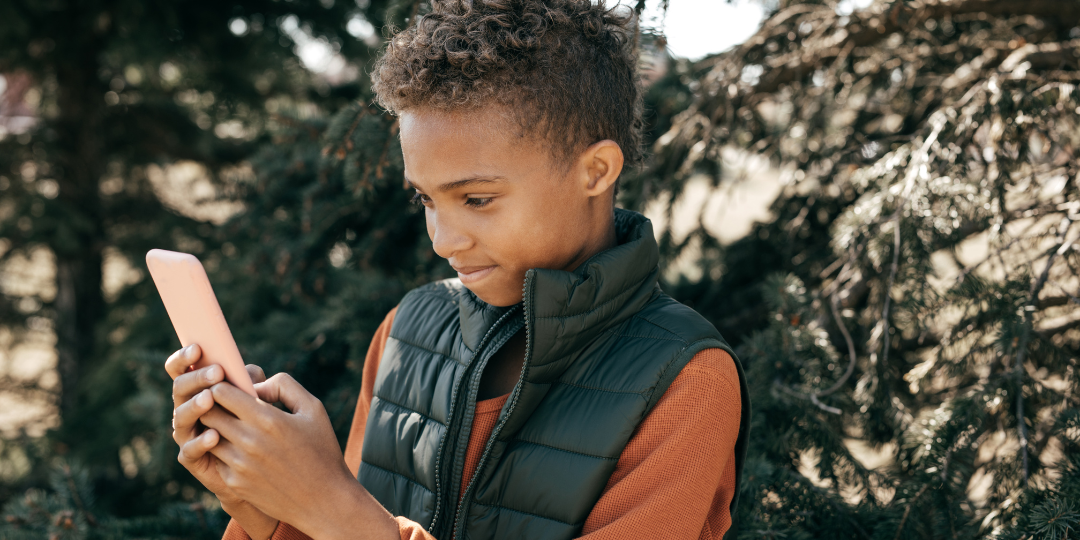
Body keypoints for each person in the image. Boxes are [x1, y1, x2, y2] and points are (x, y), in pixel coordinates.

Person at [164, 0, 750, 538]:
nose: (443, 241)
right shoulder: (406, 328)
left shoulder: (685, 378)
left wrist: (328, 502)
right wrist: (268, 505)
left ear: (595, 171)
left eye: (476, 199)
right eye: (425, 199)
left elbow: (348, 523)